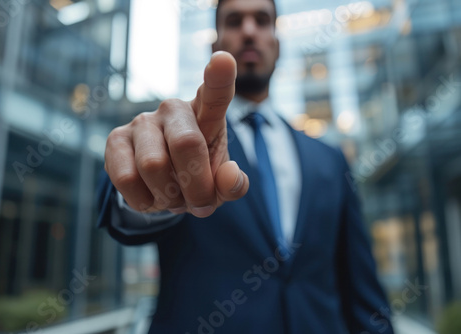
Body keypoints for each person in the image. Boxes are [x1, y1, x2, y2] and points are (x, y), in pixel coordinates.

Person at [97, 0, 395, 333]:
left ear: (277, 45)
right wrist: (143, 186)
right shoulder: (185, 144)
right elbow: (125, 208)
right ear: (215, 45)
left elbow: (361, 284)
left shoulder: (330, 159)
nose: (249, 31)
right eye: (235, 21)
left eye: (262, 21)